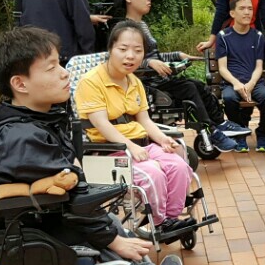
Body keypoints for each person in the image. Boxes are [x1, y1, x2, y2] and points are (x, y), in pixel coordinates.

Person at [0, 26, 194, 265]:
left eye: (60, 64)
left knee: (113, 225)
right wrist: (113, 240)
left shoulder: (34, 118)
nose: (65, 74)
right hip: (26, 231)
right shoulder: (22, 138)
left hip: (38, 218)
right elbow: (73, 199)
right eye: (51, 68)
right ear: (20, 84)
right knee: (112, 237)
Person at [76, 21, 193, 232]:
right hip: (109, 150)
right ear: (110, 49)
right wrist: (131, 146)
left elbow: (145, 120)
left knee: (178, 165)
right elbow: (101, 124)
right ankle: (160, 222)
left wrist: (162, 139)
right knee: (153, 174)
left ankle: (172, 218)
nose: (130, 56)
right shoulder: (91, 81)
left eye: (138, 51)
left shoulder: (134, 82)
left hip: (141, 146)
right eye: (123, 49)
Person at [118, 0, 247, 151]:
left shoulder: (141, 25)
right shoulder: (125, 29)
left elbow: (155, 56)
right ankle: (211, 132)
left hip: (160, 80)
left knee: (198, 85)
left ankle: (220, 124)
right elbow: (122, 60)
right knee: (188, 88)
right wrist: (149, 63)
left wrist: (177, 55)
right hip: (147, 84)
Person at [216, 0, 265, 153]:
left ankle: (262, 134)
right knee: (229, 98)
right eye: (242, 8)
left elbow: (259, 66)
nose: (247, 12)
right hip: (231, 83)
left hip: (254, 82)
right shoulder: (223, 36)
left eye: (250, 8)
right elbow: (222, 68)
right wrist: (237, 84)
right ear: (232, 13)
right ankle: (239, 134)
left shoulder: (258, 36)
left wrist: (250, 84)